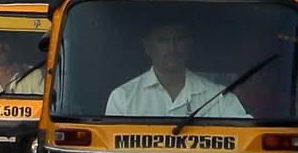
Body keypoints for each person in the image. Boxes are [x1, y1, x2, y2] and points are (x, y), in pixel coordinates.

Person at [105, 22, 250, 119]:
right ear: (147, 47)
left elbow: (246, 143)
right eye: (163, 40)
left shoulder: (220, 98)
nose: (172, 48)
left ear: (189, 45)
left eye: (179, 39)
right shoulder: (123, 98)